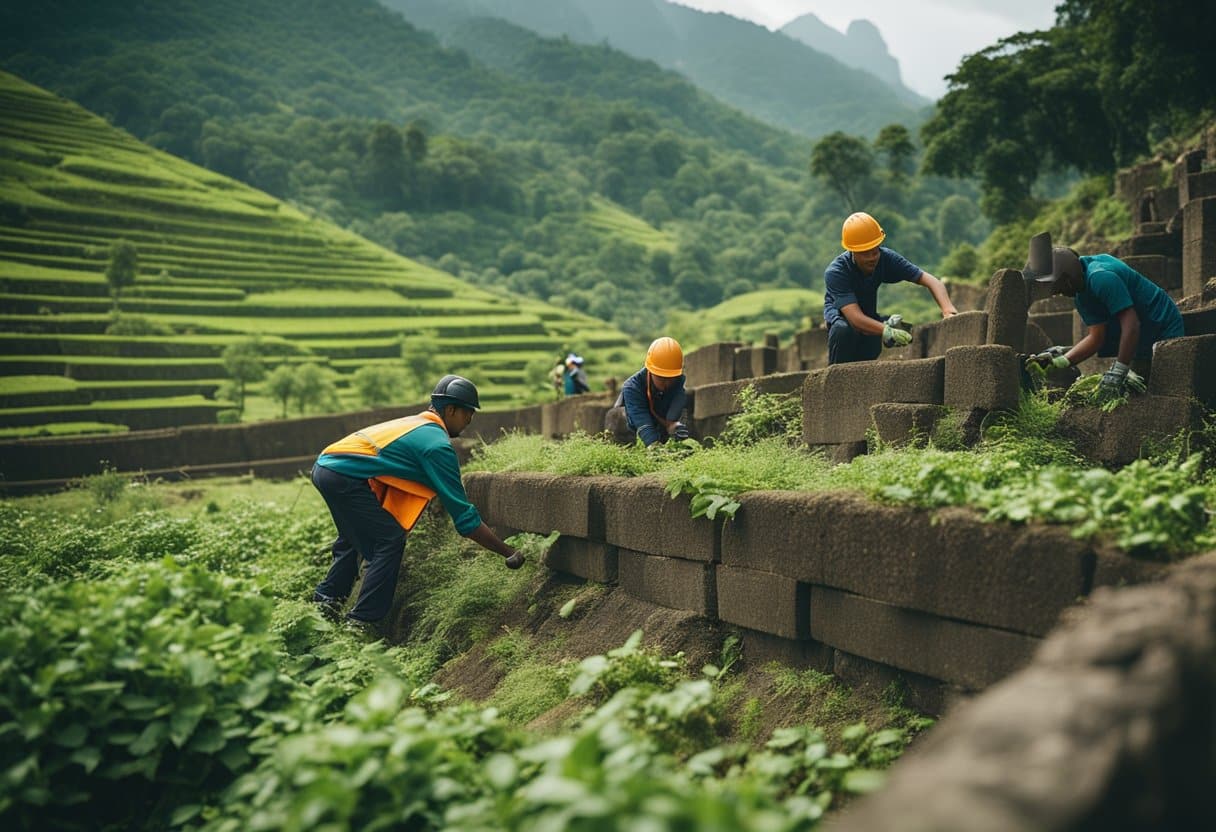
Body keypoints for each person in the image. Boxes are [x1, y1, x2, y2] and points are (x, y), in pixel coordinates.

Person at [310, 374, 525, 627]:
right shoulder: (437, 446)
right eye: (468, 412)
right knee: (389, 540)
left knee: (352, 539)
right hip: (342, 475)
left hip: (327, 467)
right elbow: (465, 520)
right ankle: (360, 623)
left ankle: (324, 607)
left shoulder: (415, 424)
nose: (470, 420)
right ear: (452, 410)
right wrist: (508, 551)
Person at [1022, 231, 1184, 399]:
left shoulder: (1101, 278)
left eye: (1060, 289)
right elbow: (1096, 338)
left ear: (1068, 279)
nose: (1060, 294)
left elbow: (1132, 325)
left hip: (1161, 325)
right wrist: (1058, 362)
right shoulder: (1080, 293)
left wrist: (1119, 371)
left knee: (1166, 389)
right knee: (1136, 390)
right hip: (1138, 335)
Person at [823, 211, 958, 364]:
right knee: (843, 331)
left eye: (875, 251)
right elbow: (855, 319)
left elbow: (932, 281)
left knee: (871, 346)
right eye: (865, 254)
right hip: (845, 320)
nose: (872, 258)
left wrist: (948, 311)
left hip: (868, 317)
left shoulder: (886, 258)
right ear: (853, 251)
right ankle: (834, 380)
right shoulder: (836, 272)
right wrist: (886, 330)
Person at [608, 336, 690, 446]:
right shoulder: (632, 388)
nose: (666, 383)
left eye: (671, 378)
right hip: (628, 427)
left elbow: (679, 399)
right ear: (650, 372)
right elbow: (641, 420)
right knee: (618, 421)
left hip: (659, 420)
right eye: (661, 378)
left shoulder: (678, 383)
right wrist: (654, 446)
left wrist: (672, 423)